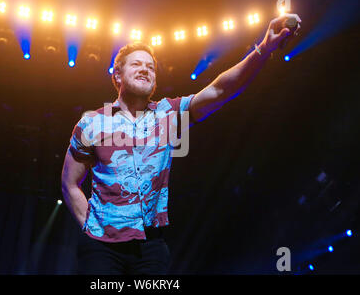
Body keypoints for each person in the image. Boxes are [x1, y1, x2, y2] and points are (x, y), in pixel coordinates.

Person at [61, 14, 301, 275]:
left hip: (150, 247)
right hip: (101, 248)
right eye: (136, 64)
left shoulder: (168, 113)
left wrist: (264, 48)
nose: (145, 69)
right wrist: (89, 224)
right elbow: (69, 182)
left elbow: (220, 90)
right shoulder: (91, 124)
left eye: (150, 67)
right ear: (117, 75)